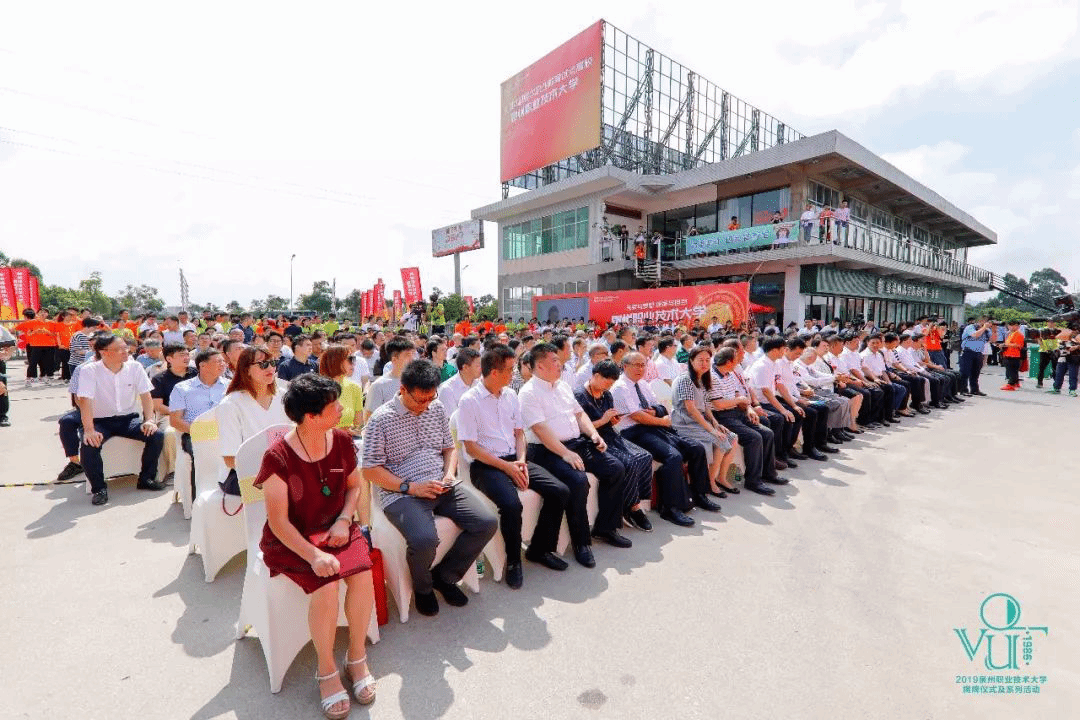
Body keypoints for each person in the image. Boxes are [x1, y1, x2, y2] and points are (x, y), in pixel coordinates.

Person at [254, 374, 377, 716]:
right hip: (293, 539)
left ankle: (357, 656)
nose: (342, 410)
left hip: (337, 528)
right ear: (311, 416)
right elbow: (279, 522)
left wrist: (344, 520)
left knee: (363, 573)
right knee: (326, 584)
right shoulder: (278, 457)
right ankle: (326, 670)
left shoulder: (341, 440)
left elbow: (354, 487)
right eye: (334, 406)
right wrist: (314, 555)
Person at [362, 359, 498, 617]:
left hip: (441, 483)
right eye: (419, 400)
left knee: (487, 522)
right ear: (402, 390)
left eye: (430, 397)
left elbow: (449, 448)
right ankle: (423, 589)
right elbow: (370, 470)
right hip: (401, 492)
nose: (425, 405)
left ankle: (445, 576)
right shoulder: (381, 420)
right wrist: (411, 488)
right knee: (424, 539)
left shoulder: (435, 408)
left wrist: (448, 474)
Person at [458, 345, 571, 589]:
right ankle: (513, 561)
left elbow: (519, 434)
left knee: (559, 491)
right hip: (486, 465)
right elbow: (471, 448)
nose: (515, 374)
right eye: (510, 370)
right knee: (511, 505)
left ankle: (540, 549)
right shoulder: (469, 401)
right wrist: (507, 467)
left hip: (515, 458)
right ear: (494, 372)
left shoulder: (510, 395)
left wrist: (520, 460)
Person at [518, 343, 631, 567]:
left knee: (616, 468)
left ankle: (606, 528)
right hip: (547, 450)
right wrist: (566, 454)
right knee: (578, 482)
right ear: (540, 366)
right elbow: (540, 430)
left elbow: (579, 415)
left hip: (575, 443)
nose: (560, 364)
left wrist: (593, 434)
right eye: (554, 361)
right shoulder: (528, 392)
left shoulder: (562, 386)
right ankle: (581, 543)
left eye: (558, 360)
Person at [612, 352, 718, 525]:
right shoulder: (620, 387)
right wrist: (661, 420)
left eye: (643, 365)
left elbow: (658, 406)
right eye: (636, 365)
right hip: (633, 432)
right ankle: (670, 508)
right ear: (625, 366)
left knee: (696, 448)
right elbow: (637, 416)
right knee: (673, 456)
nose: (641, 368)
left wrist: (656, 413)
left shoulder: (643, 384)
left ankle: (699, 494)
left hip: (654, 428)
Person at [76, 334, 166, 505]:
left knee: (156, 435)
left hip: (128, 420)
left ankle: (146, 478)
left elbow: (146, 395)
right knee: (89, 444)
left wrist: (149, 420)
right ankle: (99, 488)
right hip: (99, 421)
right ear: (104, 352)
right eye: (120, 349)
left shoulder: (135, 367)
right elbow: (84, 401)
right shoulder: (89, 370)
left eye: (126, 347)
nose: (126, 351)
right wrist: (89, 429)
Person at [574, 359, 654, 532]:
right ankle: (633, 508)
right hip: (592, 440)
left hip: (610, 435)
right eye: (606, 382)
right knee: (629, 462)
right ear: (596, 376)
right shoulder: (579, 396)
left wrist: (612, 420)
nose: (608, 387)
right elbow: (578, 428)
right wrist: (603, 420)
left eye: (611, 384)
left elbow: (609, 422)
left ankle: (632, 501)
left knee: (645, 456)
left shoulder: (606, 394)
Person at [709, 346, 787, 495]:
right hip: (722, 416)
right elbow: (718, 404)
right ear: (729, 362)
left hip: (736, 411)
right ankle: (753, 481)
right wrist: (740, 401)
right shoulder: (713, 377)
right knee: (754, 438)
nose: (740, 360)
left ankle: (769, 473)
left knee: (767, 433)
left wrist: (748, 408)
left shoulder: (729, 373)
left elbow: (738, 394)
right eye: (736, 358)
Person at [217, 347, 290, 485]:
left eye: (272, 363)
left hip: (281, 469)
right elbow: (230, 459)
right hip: (240, 475)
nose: (270, 368)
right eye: (263, 364)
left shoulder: (284, 396)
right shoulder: (230, 404)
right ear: (246, 370)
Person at [671, 347, 739, 495]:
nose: (704, 363)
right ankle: (710, 482)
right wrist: (711, 430)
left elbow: (706, 407)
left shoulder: (702, 379)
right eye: (700, 360)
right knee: (720, 440)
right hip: (684, 423)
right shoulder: (686, 379)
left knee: (732, 438)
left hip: (699, 422)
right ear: (691, 361)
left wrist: (715, 423)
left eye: (707, 360)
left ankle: (721, 477)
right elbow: (691, 410)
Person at [169, 348, 229, 499]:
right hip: (194, 434)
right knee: (201, 457)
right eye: (218, 361)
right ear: (203, 365)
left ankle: (236, 500)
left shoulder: (230, 386)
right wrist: (204, 432)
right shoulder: (182, 388)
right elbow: (175, 421)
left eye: (223, 361)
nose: (223, 364)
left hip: (226, 432)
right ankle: (199, 503)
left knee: (246, 454)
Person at [363, 337, 417, 421]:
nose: (412, 359)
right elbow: (369, 419)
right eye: (407, 355)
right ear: (394, 359)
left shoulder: (419, 382)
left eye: (413, 354)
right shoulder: (379, 386)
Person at [318, 344, 364, 436]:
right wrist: (342, 431)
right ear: (335, 361)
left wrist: (353, 431)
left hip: (347, 441)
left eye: (353, 359)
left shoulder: (355, 388)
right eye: (350, 359)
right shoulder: (316, 389)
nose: (353, 363)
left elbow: (359, 426)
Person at [14, 308, 58, 385]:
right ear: (37, 314)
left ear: (47, 314)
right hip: (36, 345)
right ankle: (29, 379)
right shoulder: (32, 322)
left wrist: (47, 332)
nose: (43, 314)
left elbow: (56, 334)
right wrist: (34, 332)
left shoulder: (52, 323)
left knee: (48, 362)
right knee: (33, 362)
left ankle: (47, 377)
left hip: (49, 345)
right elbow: (23, 331)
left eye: (45, 312)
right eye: (41, 312)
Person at [437, 347, 480, 417]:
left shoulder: (479, 385)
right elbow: (452, 420)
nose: (481, 368)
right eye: (478, 366)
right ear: (465, 367)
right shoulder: (447, 390)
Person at [959, 317, 993, 396]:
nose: (986, 323)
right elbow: (975, 335)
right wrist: (984, 327)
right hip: (967, 351)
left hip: (979, 352)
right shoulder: (970, 327)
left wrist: (994, 329)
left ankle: (974, 389)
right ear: (980, 321)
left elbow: (992, 340)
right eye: (985, 321)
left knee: (976, 372)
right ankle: (963, 390)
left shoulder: (987, 330)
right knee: (965, 372)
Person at [1048, 327, 1080, 396]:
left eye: (1075, 331)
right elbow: (1059, 347)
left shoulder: (1078, 339)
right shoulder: (1063, 338)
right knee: (1059, 373)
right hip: (1062, 358)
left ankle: (1072, 390)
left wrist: (1076, 347)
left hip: (1073, 359)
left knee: (1073, 375)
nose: (1073, 332)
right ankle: (1056, 387)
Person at [1000, 320, 1025, 391]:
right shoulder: (1010, 334)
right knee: (1012, 370)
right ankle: (1016, 382)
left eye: (1014, 325)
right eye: (1010, 325)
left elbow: (1019, 345)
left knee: (1012, 370)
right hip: (1008, 354)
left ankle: (1011, 384)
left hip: (1014, 355)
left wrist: (1006, 345)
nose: (1011, 327)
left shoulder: (1018, 334)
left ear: (1018, 326)